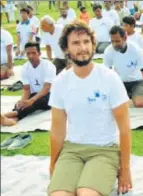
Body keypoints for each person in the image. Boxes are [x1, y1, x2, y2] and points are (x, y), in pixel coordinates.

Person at [48, 21, 132, 196]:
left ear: (94, 45)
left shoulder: (110, 78)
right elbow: (57, 131)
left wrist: (125, 169)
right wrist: (53, 164)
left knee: (86, 193)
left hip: (104, 150)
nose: (83, 47)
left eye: (86, 42)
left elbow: (124, 129)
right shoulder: (60, 82)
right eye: (76, 43)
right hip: (72, 151)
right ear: (66, 49)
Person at [1, 42, 56, 127]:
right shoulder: (25, 68)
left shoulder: (49, 66)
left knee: (37, 101)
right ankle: (15, 118)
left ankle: (7, 115)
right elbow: (27, 89)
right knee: (21, 104)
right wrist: (23, 101)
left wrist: (31, 100)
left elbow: (46, 88)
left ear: (39, 53)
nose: (31, 56)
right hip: (34, 94)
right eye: (28, 54)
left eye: (33, 53)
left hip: (50, 95)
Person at [104, 26, 143, 108]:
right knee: (114, 104)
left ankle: (138, 93)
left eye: (117, 41)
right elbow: (107, 75)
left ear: (125, 38)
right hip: (120, 83)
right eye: (112, 41)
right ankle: (130, 95)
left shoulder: (136, 50)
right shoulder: (108, 51)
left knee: (140, 104)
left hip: (137, 82)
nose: (114, 44)